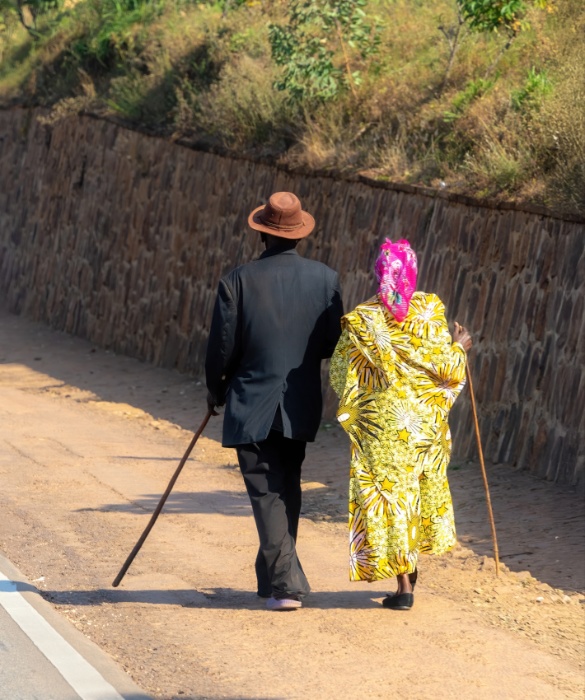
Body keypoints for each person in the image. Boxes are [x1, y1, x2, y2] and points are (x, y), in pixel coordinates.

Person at [205, 191, 343, 611]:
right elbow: (332, 343)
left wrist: (216, 390)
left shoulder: (237, 281)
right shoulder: (326, 280)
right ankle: (272, 578)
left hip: (251, 401)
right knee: (286, 487)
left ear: (262, 234)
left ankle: (284, 586)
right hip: (300, 402)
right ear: (299, 235)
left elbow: (222, 347)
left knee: (267, 491)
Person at [329, 238, 472, 610]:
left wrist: (365, 401)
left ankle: (404, 585)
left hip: (381, 428)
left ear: (379, 273)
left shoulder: (363, 319)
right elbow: (446, 369)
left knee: (390, 496)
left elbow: (340, 373)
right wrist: (460, 347)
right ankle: (409, 568)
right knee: (416, 491)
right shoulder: (429, 311)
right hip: (423, 427)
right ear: (413, 272)